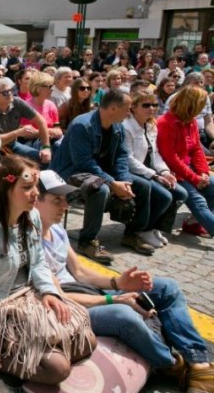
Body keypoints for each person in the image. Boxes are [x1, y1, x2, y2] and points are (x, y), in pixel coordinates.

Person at [35, 169, 214, 393]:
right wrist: (113, 298)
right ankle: (172, 364)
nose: (65, 206)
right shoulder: (29, 240)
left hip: (88, 291)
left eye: (66, 199)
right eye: (56, 200)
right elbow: (59, 297)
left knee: (166, 287)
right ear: (34, 201)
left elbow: (79, 271)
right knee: (123, 314)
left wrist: (118, 282)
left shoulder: (57, 229)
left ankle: (198, 363)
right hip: (72, 307)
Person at [0, 155, 95, 393]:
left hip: (28, 300)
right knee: (58, 369)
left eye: (35, 187)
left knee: (88, 341)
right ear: (6, 189)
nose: (34, 194)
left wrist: (49, 292)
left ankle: (12, 368)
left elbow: (39, 263)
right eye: (26, 188)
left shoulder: (31, 218)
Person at [51, 89, 156, 261]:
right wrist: (113, 183)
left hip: (101, 173)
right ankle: (87, 241)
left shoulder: (118, 126)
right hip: (71, 174)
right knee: (100, 190)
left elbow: (121, 156)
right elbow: (83, 163)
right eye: (127, 108)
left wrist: (124, 181)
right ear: (113, 108)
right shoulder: (82, 125)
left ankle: (132, 233)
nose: (129, 112)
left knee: (143, 186)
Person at [122, 90, 188, 246]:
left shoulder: (151, 125)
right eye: (146, 105)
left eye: (154, 105)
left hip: (150, 171)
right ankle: (142, 229)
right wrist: (154, 175)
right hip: (133, 171)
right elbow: (129, 159)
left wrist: (164, 172)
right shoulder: (126, 127)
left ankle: (155, 227)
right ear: (134, 107)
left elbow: (155, 153)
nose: (151, 108)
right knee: (164, 196)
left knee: (180, 193)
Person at [157, 86, 214, 237]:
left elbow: (196, 149)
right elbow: (171, 158)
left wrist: (203, 172)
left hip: (190, 169)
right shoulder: (165, 123)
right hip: (172, 172)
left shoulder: (191, 122)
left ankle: (194, 224)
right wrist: (195, 179)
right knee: (198, 201)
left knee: (213, 185)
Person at [0, 77, 51, 166]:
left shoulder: (17, 102)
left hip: (12, 145)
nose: (10, 94)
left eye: (11, 90)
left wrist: (46, 147)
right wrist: (18, 133)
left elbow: (41, 121)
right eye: (5, 92)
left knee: (41, 157)